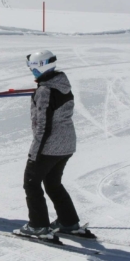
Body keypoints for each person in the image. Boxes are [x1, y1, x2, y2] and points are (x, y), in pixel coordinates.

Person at [13, 50, 83, 240]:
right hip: (67, 144)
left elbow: (43, 126)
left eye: (32, 68)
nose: (31, 71)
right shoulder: (61, 84)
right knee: (53, 183)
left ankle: (38, 226)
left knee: (31, 182)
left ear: (39, 67)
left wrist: (34, 154)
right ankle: (68, 222)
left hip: (50, 146)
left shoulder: (45, 91)